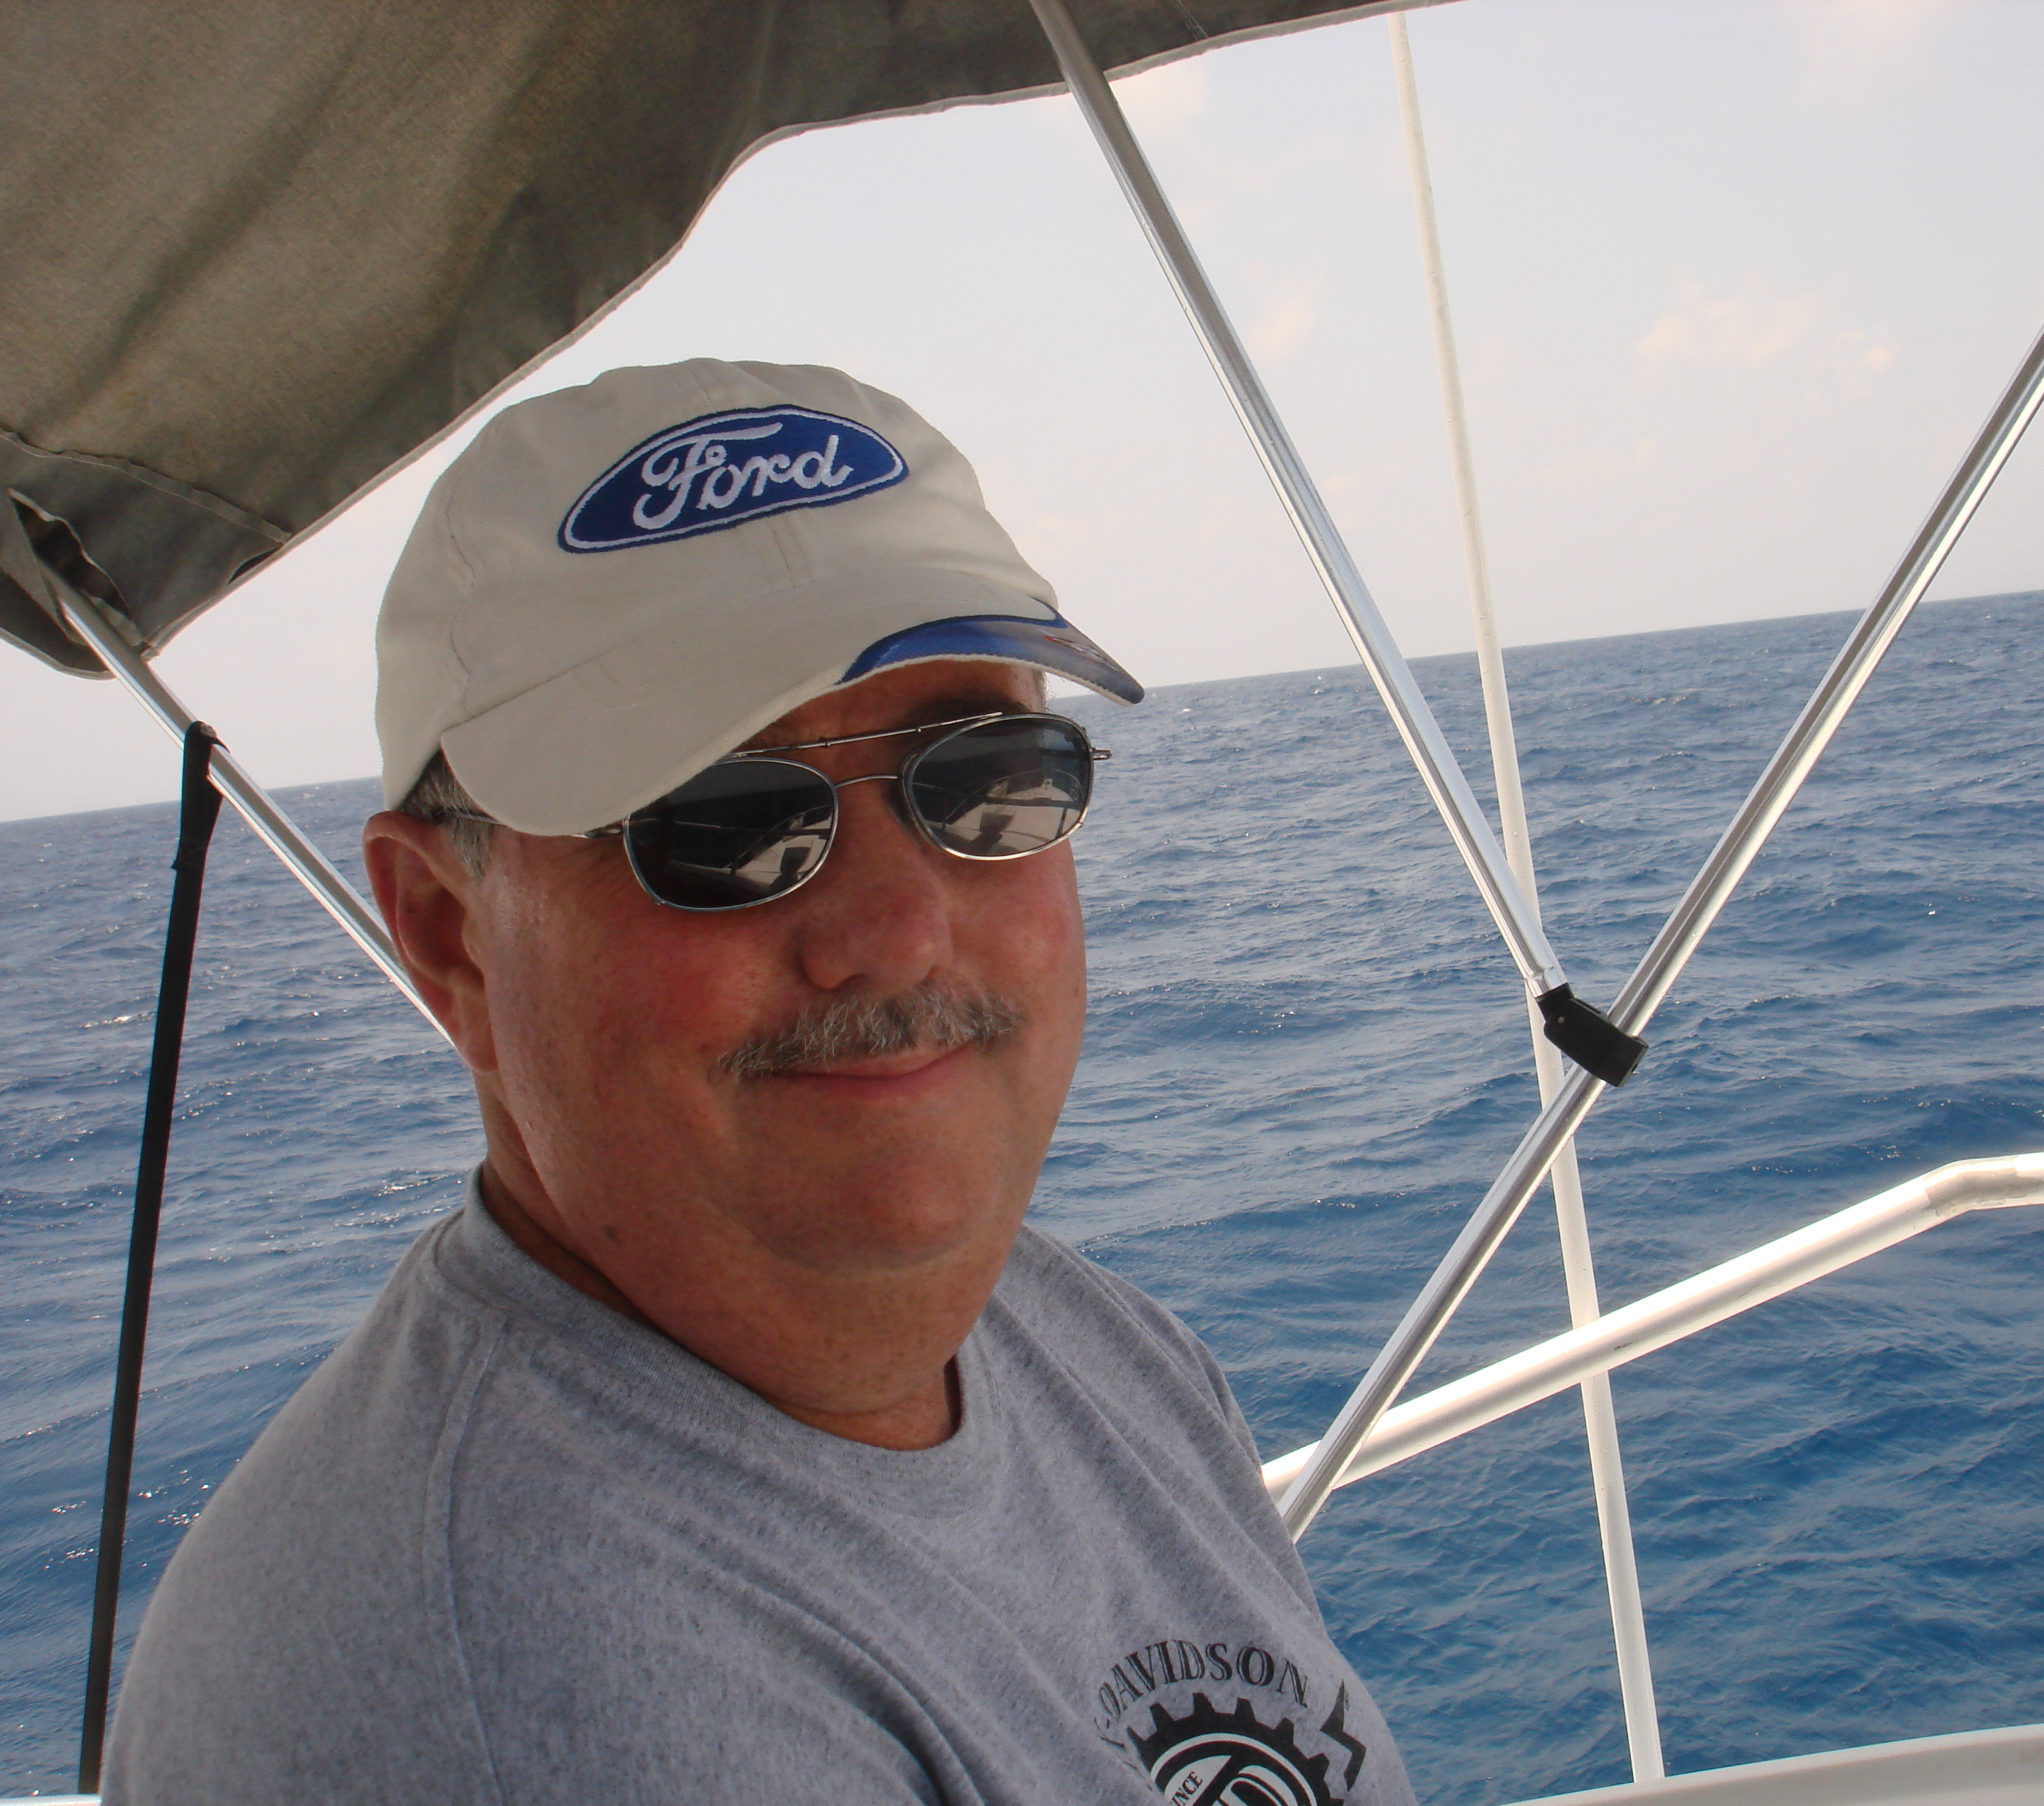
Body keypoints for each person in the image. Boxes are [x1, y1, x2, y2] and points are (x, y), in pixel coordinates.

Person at [104, 360, 1413, 1805]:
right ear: (449, 934)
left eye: (988, 776)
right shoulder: (533, 1704)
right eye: (722, 822)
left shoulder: (1094, 1346)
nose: (898, 932)